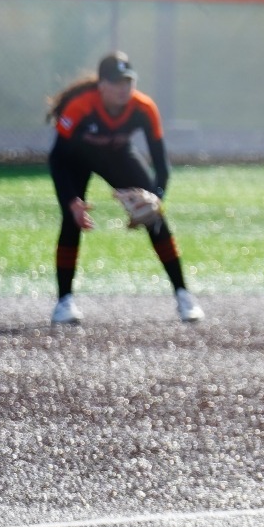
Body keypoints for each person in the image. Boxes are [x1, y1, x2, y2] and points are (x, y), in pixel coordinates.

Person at [45, 51, 203, 325]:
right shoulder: (81, 106)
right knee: (72, 221)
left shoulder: (143, 108)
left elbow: (161, 164)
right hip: (75, 160)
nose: (123, 88)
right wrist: (72, 201)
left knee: (155, 218)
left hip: (118, 155)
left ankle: (183, 295)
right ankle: (64, 302)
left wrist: (156, 198)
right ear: (102, 85)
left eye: (128, 81)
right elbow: (57, 157)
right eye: (116, 82)